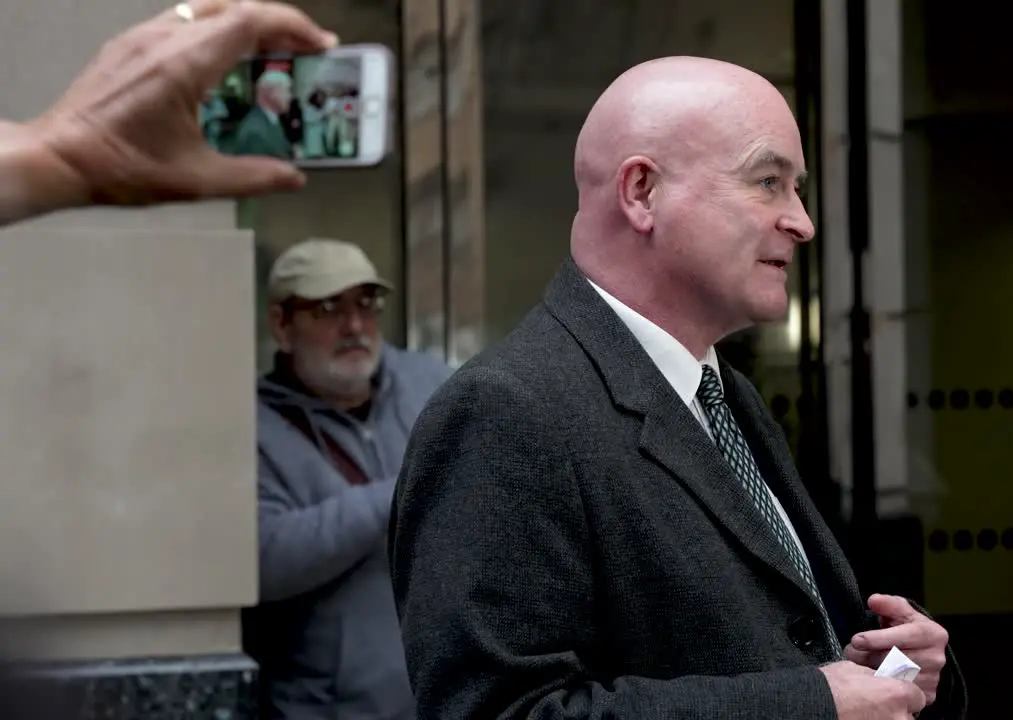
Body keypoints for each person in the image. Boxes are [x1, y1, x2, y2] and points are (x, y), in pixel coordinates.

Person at [388, 56, 966, 720]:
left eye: (796, 188)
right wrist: (810, 704)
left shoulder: (726, 396)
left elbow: (784, 646)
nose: (802, 221)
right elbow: (502, 712)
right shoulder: (504, 413)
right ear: (641, 192)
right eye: (768, 181)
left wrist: (894, 672)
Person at [246, 238, 452, 719]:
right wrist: (399, 494)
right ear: (282, 324)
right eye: (327, 308)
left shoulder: (432, 384)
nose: (355, 326)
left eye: (366, 304)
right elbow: (263, 558)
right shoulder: (249, 427)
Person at [0, 0, 336, 229]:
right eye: (282, 90)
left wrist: (62, 151)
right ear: (266, 93)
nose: (290, 97)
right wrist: (65, 154)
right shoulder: (255, 128)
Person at [226, 69, 296, 160]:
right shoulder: (255, 133)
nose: (290, 97)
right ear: (270, 93)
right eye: (287, 91)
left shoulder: (270, 121)